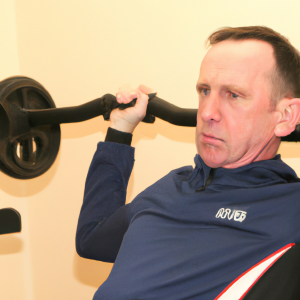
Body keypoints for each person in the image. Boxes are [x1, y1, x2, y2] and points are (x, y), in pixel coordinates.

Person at [76, 26, 300, 300]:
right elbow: (92, 240)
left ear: (286, 116)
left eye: (233, 95)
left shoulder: (288, 207)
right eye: (205, 91)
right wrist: (119, 132)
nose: (207, 112)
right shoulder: (173, 186)